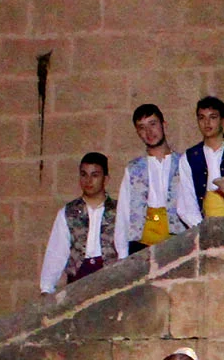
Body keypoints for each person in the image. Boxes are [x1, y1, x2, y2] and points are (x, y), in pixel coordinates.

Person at [118, 104, 201, 252]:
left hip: (177, 242)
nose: (149, 132)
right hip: (141, 245)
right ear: (137, 132)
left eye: (153, 124)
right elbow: (123, 215)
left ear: (164, 125)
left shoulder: (184, 163)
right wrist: (122, 255)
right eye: (142, 127)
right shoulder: (132, 169)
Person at [39, 152, 124, 293]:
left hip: (111, 281)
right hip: (77, 283)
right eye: (84, 174)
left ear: (106, 179)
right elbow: (56, 252)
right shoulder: (68, 212)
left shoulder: (120, 211)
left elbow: (124, 250)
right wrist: (46, 288)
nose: (88, 180)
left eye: (95, 175)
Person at [185, 95, 224, 214]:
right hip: (204, 224)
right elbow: (186, 204)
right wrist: (202, 228)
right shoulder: (190, 157)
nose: (207, 122)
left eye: (213, 117)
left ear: (223, 120)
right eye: (201, 118)